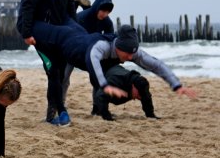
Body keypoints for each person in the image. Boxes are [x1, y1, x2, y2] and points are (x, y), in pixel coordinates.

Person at [27, 22, 197, 119]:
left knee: (68, 19)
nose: (130, 58)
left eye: (133, 54)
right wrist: (104, 85)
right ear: (118, 47)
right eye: (127, 54)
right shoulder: (103, 46)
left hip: (80, 37)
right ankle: (53, 113)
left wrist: (176, 85)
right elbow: (92, 59)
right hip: (68, 47)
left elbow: (155, 64)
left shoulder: (132, 52)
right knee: (59, 78)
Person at [17, 0, 78, 126]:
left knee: (59, 75)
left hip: (60, 36)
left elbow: (70, 11)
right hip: (41, 36)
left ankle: (51, 115)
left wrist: (73, 33)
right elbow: (28, 6)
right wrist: (27, 34)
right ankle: (62, 112)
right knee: (53, 71)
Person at [48, 0, 115, 119]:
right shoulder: (82, 17)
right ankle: (59, 106)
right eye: (102, 10)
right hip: (72, 49)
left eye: (107, 12)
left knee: (96, 78)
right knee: (64, 78)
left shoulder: (107, 22)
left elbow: (110, 38)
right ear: (96, 7)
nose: (104, 14)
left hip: (91, 52)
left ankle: (97, 108)